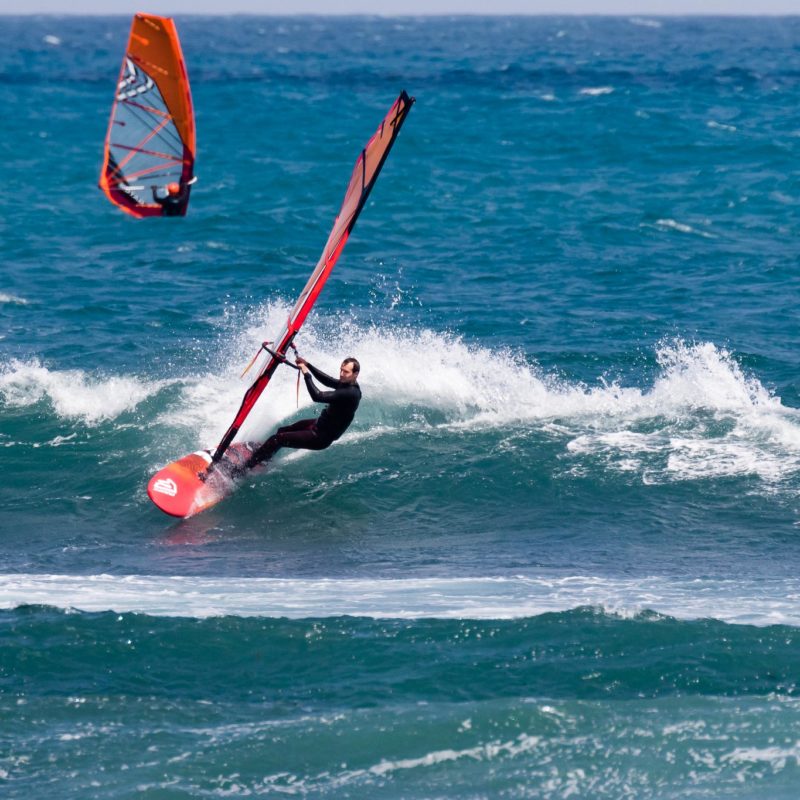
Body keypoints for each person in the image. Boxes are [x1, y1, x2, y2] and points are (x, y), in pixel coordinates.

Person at [242, 356, 361, 471]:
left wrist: (306, 373)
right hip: (318, 424)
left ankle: (245, 468)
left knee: (277, 439)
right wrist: (308, 365)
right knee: (282, 431)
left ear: (355, 374)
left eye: (345, 372)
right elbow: (327, 380)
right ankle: (264, 458)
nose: (341, 374)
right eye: (341, 370)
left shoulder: (351, 393)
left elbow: (317, 396)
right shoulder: (346, 383)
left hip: (320, 437)